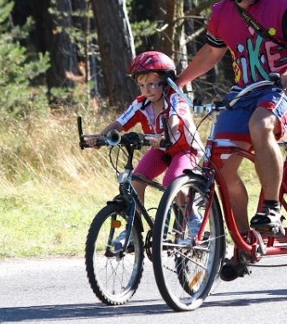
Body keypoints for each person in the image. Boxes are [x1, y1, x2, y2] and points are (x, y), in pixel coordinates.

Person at [176, 0, 287, 280]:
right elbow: (211, 54)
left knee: (261, 125)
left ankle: (271, 209)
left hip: (285, 88)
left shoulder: (282, 7)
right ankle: (242, 243)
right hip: (243, 92)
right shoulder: (221, 13)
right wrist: (178, 82)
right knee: (220, 162)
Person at [87, 51, 203, 248]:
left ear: (166, 82)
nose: (146, 90)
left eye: (151, 84)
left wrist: (166, 134)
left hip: (185, 149)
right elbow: (120, 123)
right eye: (141, 85)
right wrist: (99, 137)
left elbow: (176, 120)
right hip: (161, 151)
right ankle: (133, 229)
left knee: (171, 181)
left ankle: (192, 218)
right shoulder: (141, 103)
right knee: (136, 180)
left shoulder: (175, 98)